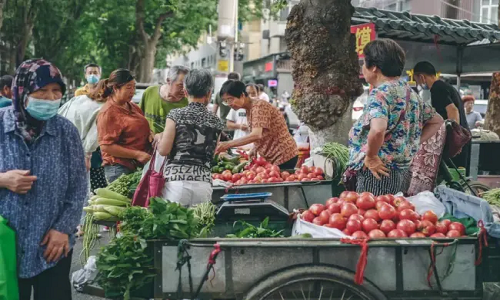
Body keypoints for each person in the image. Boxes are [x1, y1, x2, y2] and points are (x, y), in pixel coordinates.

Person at [0, 59, 87, 300]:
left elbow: (79, 186)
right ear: (22, 91)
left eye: (56, 91)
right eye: (41, 91)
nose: (50, 98)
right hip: (3, 245)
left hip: (51, 245)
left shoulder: (65, 131)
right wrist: (3, 180)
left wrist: (63, 229)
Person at [347, 39, 443, 196]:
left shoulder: (380, 93)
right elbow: (437, 121)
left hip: (378, 173)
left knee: (373, 216)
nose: (362, 68)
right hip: (403, 172)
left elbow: (378, 129)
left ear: (374, 67)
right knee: (393, 216)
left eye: (364, 63)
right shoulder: (409, 93)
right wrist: (414, 141)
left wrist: (371, 157)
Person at [157, 69, 224, 205]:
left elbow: (164, 150)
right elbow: (212, 153)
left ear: (186, 92)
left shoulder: (175, 115)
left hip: (176, 184)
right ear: (209, 93)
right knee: (198, 225)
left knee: (174, 223)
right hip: (203, 185)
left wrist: (159, 139)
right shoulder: (216, 120)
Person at [59, 80, 108, 235]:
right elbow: (93, 138)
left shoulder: (79, 99)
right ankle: (82, 226)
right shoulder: (102, 108)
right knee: (82, 188)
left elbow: (60, 113)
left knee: (62, 186)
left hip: (59, 141)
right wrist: (87, 156)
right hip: (77, 146)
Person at [216, 80, 299, 169]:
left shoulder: (259, 106)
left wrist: (227, 144)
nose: (229, 104)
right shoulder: (249, 108)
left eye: (230, 99)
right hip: (273, 156)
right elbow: (264, 131)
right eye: (226, 101)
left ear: (242, 95)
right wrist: (255, 148)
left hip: (283, 155)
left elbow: (256, 135)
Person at [97, 69, 152, 183]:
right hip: (118, 168)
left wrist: (151, 135)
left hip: (137, 166)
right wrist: (137, 154)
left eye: (134, 87)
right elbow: (106, 146)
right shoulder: (108, 113)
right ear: (116, 88)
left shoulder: (132, 106)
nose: (132, 91)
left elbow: (139, 127)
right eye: (128, 87)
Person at [413, 61, 470, 170]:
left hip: (457, 142)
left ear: (421, 77)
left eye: (417, 81)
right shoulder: (446, 86)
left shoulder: (437, 87)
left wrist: (453, 138)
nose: (418, 84)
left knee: (452, 177)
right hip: (462, 140)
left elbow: (453, 111)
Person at [140, 65, 189, 134]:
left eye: (187, 86)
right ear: (168, 81)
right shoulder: (149, 92)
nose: (184, 90)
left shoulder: (188, 103)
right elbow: (138, 118)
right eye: (181, 85)